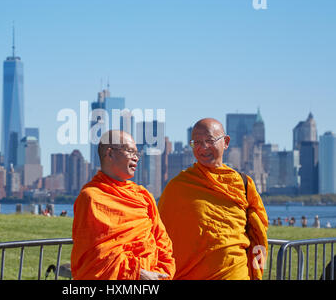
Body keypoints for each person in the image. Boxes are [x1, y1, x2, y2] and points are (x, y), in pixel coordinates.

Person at [158, 118, 269, 280]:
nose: (203, 148)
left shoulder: (243, 184)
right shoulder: (178, 187)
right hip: (189, 274)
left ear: (226, 142)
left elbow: (258, 230)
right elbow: (158, 233)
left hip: (234, 273)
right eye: (196, 142)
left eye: (209, 141)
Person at [71, 130, 175, 280]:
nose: (136, 158)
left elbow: (163, 242)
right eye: (130, 151)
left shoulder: (143, 196)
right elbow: (93, 258)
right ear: (110, 154)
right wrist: (138, 274)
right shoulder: (91, 198)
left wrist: (162, 274)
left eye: (137, 153)